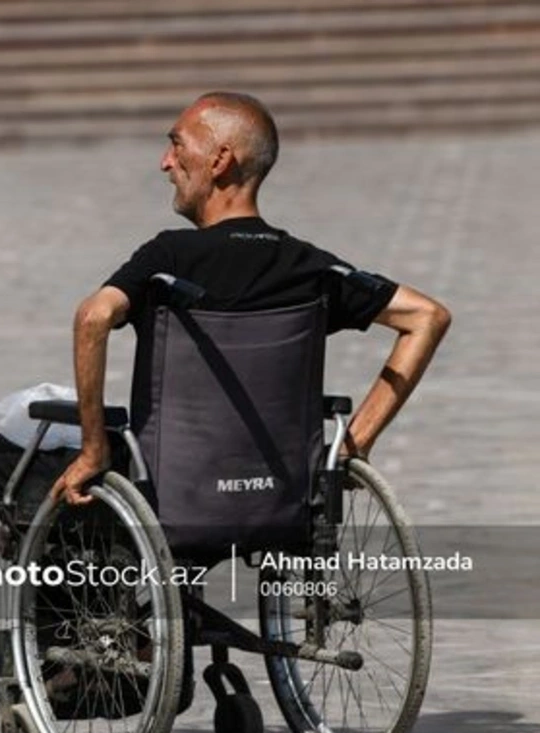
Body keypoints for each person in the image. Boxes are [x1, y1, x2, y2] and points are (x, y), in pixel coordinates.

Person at [51, 91, 451, 506]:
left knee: (10, 456)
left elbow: (93, 318)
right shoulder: (309, 267)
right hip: (281, 500)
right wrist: (354, 442)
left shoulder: (167, 259)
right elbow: (427, 317)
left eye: (177, 144)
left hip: (174, 495)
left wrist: (93, 449)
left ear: (220, 161)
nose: (165, 163)